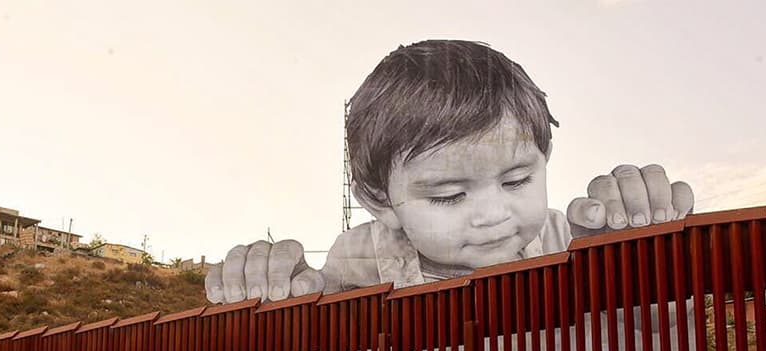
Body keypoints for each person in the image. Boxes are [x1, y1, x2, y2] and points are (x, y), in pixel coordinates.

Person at [205, 39, 694, 305]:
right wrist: (282, 299)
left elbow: (656, 333)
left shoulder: (572, 238)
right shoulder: (357, 262)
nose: (492, 215)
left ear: (546, 158)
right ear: (379, 200)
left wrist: (636, 257)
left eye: (517, 180)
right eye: (448, 195)